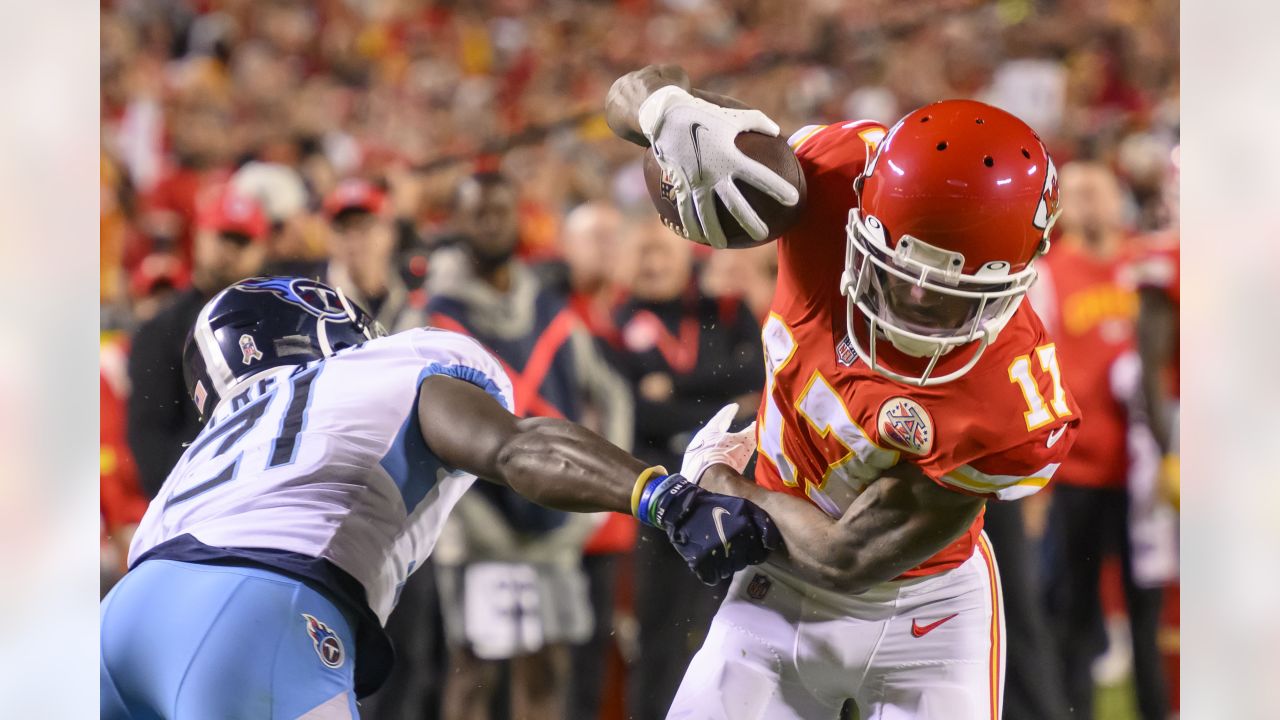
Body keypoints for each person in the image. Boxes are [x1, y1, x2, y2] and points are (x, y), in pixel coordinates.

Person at [607, 65, 1081, 719]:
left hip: (928, 615)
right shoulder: (828, 184)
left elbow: (846, 557)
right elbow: (631, 101)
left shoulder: (1009, 402)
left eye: (947, 296)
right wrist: (667, 113)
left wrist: (721, 477)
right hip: (775, 586)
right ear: (862, 215)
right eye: (899, 272)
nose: (914, 303)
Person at [99, 276, 780, 719]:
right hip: (255, 612)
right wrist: (661, 496)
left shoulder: (220, 435)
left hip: (118, 620)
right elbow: (515, 447)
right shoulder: (386, 366)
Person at [425, 171, 635, 720]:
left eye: (501, 209)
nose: (492, 222)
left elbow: (612, 396)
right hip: (474, 531)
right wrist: (463, 516)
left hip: (553, 529)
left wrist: (596, 496)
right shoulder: (431, 318)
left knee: (548, 667)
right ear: (457, 222)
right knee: (473, 672)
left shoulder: (552, 312)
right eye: (479, 212)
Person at [610, 216, 765, 720]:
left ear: (688, 255)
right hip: (653, 495)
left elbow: (757, 379)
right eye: (643, 252)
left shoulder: (724, 308)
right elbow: (634, 409)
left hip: (728, 494)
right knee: (660, 631)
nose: (653, 264)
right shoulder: (616, 320)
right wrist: (716, 401)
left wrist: (672, 386)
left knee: (736, 625)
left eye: (663, 252)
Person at [1030, 161, 1169, 720]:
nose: (1088, 202)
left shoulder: (1150, 266)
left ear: (1118, 199)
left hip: (1149, 476)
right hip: (1079, 474)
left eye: (1097, 191)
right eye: (1077, 193)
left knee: (1151, 619)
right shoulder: (1046, 273)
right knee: (1076, 617)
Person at [126, 185, 268, 498]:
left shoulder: (275, 320)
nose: (229, 251)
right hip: (196, 497)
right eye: (222, 236)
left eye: (241, 241)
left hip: (265, 490)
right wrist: (182, 499)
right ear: (199, 236)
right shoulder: (162, 328)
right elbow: (149, 433)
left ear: (261, 248)